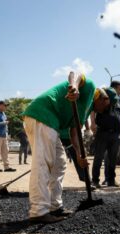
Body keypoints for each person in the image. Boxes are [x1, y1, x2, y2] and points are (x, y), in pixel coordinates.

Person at [22, 72, 95, 223]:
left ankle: (55, 206)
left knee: (59, 163)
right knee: (42, 163)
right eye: (108, 103)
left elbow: (74, 133)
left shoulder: (85, 110)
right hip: (42, 115)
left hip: (51, 123)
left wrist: (80, 155)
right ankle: (38, 212)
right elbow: (76, 74)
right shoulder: (90, 89)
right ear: (102, 100)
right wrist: (74, 86)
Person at [91, 87, 120, 188]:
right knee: (98, 158)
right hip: (102, 133)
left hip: (115, 135)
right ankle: (95, 181)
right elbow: (93, 111)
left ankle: (111, 180)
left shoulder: (118, 102)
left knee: (113, 159)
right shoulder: (101, 101)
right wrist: (92, 123)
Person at [0, 100, 16, 172]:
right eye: (5, 105)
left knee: (5, 151)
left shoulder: (3, 114)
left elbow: (5, 125)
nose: (6, 107)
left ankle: (6, 167)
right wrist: (4, 123)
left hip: (4, 135)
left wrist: (7, 132)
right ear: (0, 105)